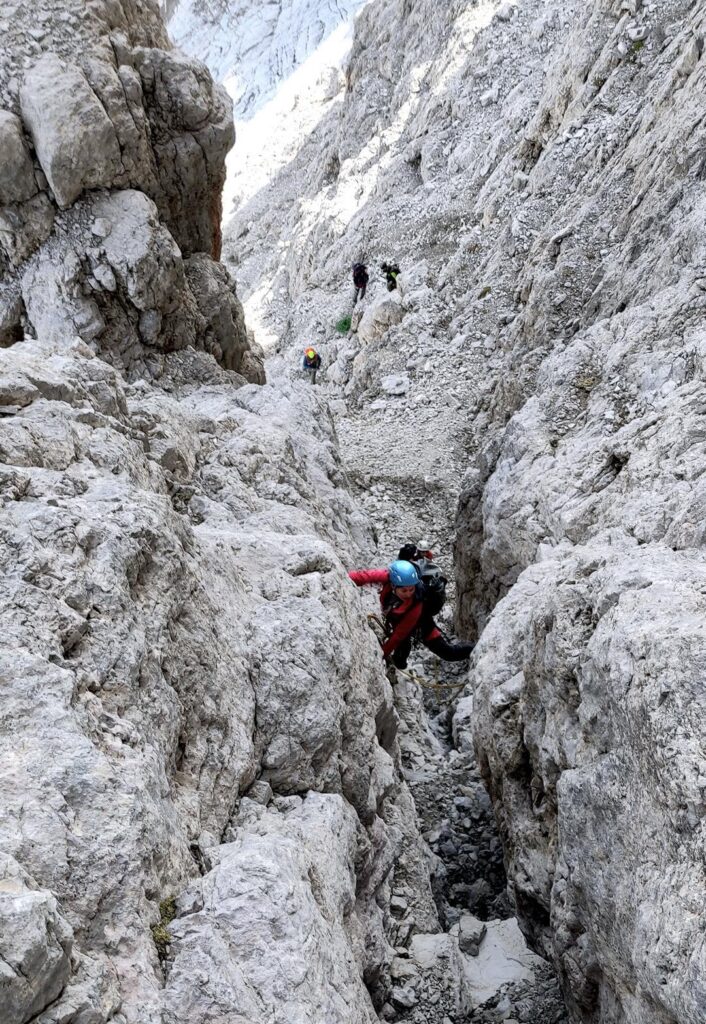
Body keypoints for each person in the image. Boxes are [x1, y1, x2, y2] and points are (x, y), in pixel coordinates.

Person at [348, 559, 473, 669]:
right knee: (401, 654)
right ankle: (399, 665)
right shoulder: (388, 576)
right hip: (398, 622)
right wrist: (345, 577)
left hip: (423, 627)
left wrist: (381, 655)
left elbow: (399, 635)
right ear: (393, 585)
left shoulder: (416, 605)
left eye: (411, 589)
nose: (408, 593)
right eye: (404, 590)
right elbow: (365, 576)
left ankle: (473, 650)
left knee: (448, 653)